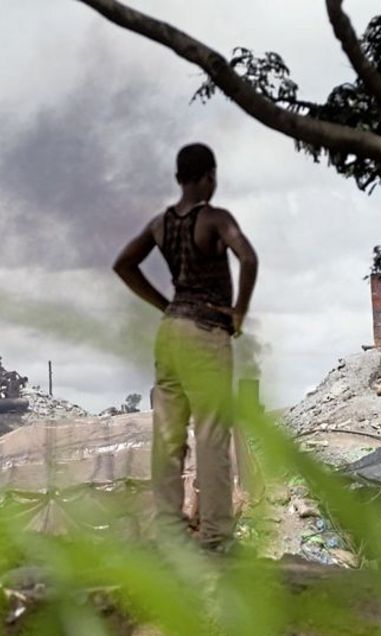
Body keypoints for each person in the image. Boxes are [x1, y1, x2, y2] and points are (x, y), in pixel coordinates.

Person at [113, 143, 258, 553]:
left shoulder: (160, 225)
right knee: (212, 435)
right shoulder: (215, 219)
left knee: (168, 435)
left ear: (179, 178)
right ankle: (216, 537)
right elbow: (248, 259)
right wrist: (239, 313)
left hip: (170, 332)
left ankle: (170, 535)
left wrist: (164, 305)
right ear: (209, 176)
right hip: (205, 332)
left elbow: (124, 264)